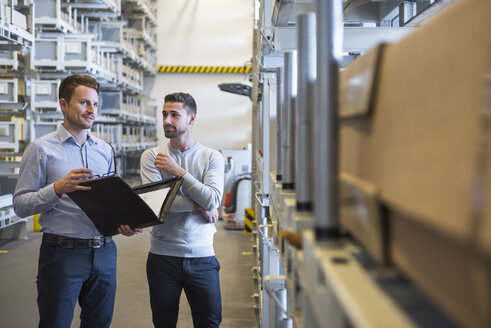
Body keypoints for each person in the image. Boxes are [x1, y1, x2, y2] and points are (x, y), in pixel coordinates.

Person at [13, 74, 140, 328]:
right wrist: (58, 189)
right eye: (84, 103)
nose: (91, 110)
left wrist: (122, 223)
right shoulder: (41, 150)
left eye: (95, 104)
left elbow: (109, 201)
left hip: (104, 254)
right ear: (63, 104)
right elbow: (21, 205)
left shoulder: (104, 151)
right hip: (62, 254)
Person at [124, 92, 224, 327]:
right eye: (164, 114)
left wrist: (179, 173)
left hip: (202, 258)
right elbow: (154, 204)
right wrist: (196, 204)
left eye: (174, 115)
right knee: (164, 323)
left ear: (191, 119)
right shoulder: (152, 156)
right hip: (162, 258)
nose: (167, 120)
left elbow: (213, 199)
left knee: (209, 322)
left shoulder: (212, 157)